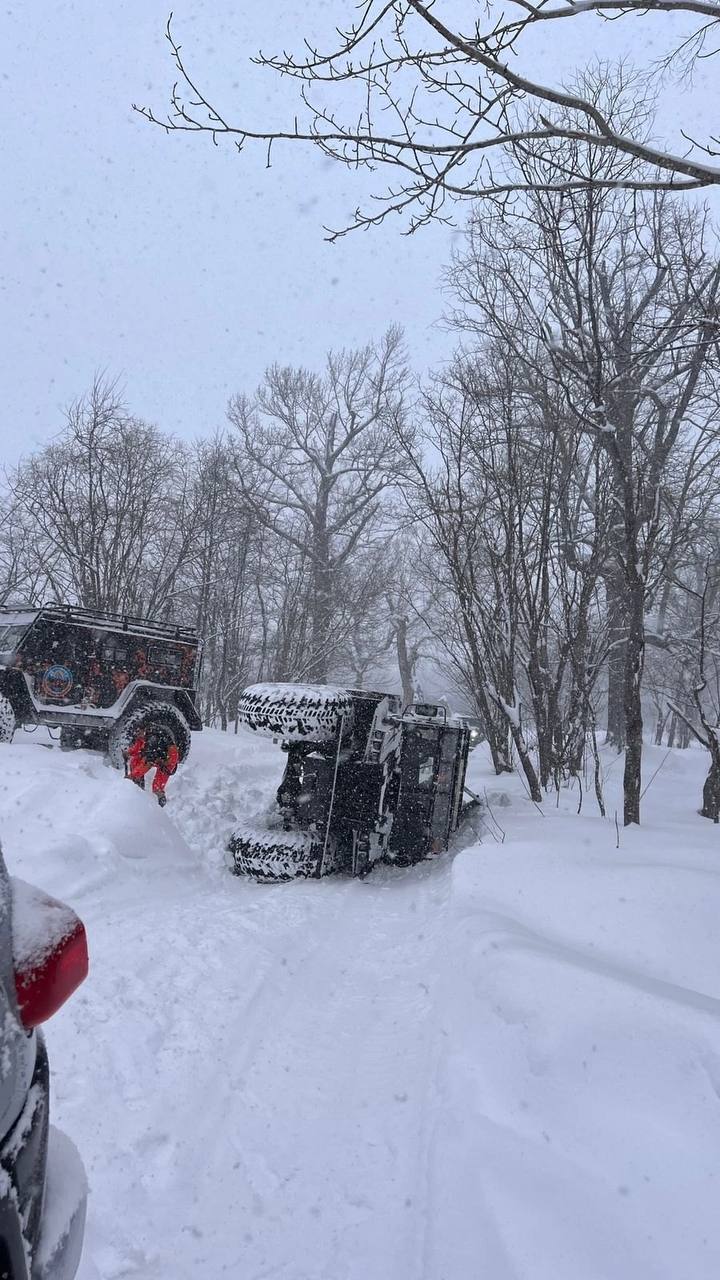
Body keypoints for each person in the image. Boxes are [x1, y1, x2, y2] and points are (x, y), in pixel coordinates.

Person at [124, 726, 179, 807]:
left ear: (144, 730)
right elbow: (138, 748)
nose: (137, 734)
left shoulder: (152, 741)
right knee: (134, 761)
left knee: (157, 787)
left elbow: (146, 763)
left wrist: (132, 775)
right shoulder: (145, 735)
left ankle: (161, 806)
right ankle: (138, 786)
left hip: (169, 758)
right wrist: (128, 753)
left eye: (138, 732)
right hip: (158, 755)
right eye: (136, 733)